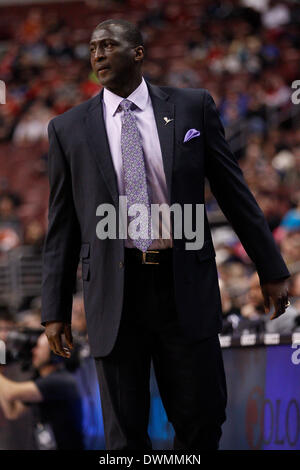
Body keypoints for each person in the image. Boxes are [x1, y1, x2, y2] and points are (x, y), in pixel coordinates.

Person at [41, 19, 290, 450]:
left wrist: (271, 268)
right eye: (93, 47)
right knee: (124, 438)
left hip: (184, 285)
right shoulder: (68, 128)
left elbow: (234, 192)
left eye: (108, 45)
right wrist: (54, 307)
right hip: (114, 293)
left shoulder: (193, 106)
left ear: (137, 52)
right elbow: (62, 226)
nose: (97, 55)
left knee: (202, 422)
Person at [0, 333, 84, 450]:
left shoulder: (61, 380)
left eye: (38, 347)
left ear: (54, 354)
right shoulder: (42, 379)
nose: (34, 351)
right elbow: (13, 412)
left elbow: (10, 393)